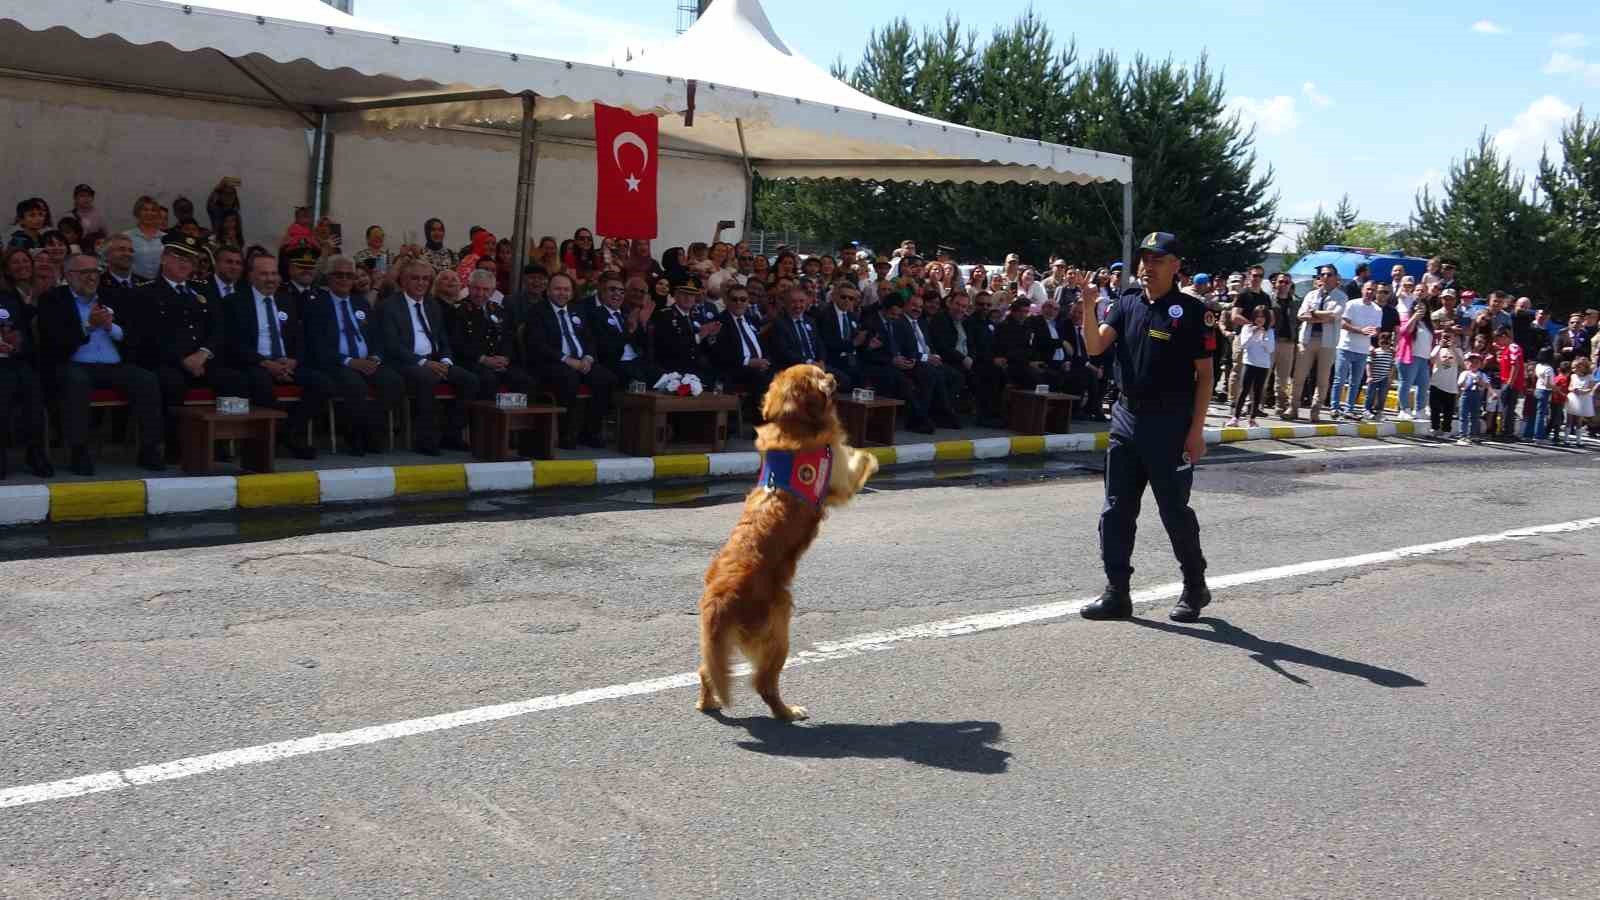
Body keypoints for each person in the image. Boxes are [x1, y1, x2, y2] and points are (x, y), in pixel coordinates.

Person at [1078, 232, 1215, 623]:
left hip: (1170, 423)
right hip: (1125, 417)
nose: (1147, 267)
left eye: (1157, 260)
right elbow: (1095, 347)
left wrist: (1196, 430)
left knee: (1173, 510)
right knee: (1117, 510)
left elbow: (1204, 376)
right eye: (1144, 259)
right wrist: (1089, 307)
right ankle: (1117, 592)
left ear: (1175, 265)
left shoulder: (1193, 312)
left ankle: (1194, 585)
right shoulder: (1125, 304)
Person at [37, 253, 165, 474]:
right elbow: (53, 341)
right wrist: (88, 326)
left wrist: (110, 327)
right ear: (68, 275)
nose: (91, 277)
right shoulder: (53, 299)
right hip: (73, 364)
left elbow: (134, 335)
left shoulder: (113, 296)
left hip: (112, 365)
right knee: (76, 381)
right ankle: (78, 451)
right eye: (84, 272)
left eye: (95, 272)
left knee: (146, 379)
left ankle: (149, 448)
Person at [131, 233, 246, 459]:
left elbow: (218, 328)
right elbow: (149, 336)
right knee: (170, 383)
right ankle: (173, 446)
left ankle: (220, 442)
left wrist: (203, 353)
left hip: (202, 361)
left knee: (234, 379)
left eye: (190, 258)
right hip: (168, 362)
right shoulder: (146, 292)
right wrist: (183, 359)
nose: (185, 263)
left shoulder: (203, 290)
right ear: (164, 259)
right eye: (178, 256)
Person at [222, 252, 327, 460]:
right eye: (264, 274)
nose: (270, 279)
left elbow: (300, 339)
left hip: (285, 363)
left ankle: (288, 433)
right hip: (254, 363)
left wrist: (293, 360)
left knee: (322, 383)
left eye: (273, 273)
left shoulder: (286, 300)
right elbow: (232, 345)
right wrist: (266, 363)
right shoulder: (235, 302)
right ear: (250, 275)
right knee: (259, 381)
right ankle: (272, 438)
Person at [379, 259, 478, 456]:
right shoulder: (389, 306)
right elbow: (392, 345)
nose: (421, 283)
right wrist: (424, 362)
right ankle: (425, 440)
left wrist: (445, 361)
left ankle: (451, 435)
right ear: (403, 281)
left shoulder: (432, 305)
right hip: (404, 362)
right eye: (415, 278)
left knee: (470, 380)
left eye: (425, 279)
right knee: (427, 378)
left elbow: (443, 339)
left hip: (435, 361)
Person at [305, 255, 402, 456]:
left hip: (367, 362)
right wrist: (350, 362)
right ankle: (354, 438)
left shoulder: (361, 303)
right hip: (337, 363)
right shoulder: (316, 304)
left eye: (349, 276)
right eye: (339, 275)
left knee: (393, 381)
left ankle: (372, 432)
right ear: (329, 278)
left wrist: (375, 357)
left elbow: (376, 337)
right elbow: (317, 346)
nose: (344, 280)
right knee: (355, 385)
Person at [525, 271, 614, 449]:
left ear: (572, 292)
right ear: (548, 291)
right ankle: (567, 434)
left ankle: (590, 432)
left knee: (606, 378)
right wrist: (567, 360)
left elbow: (589, 338)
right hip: (552, 364)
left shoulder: (577, 310)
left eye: (566, 289)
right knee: (569, 378)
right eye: (557, 289)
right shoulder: (537, 311)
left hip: (582, 362)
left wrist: (588, 358)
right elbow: (538, 345)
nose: (562, 293)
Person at [453, 268, 534, 401]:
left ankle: (516, 421)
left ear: (492, 291)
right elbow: (457, 343)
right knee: (489, 380)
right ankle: (483, 421)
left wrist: (505, 358)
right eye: (476, 288)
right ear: (468, 287)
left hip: (500, 362)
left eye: (486, 290)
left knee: (525, 380)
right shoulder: (458, 310)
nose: (480, 294)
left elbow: (509, 337)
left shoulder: (499, 310)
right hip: (472, 362)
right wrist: (484, 359)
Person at [0, 283, 52, 477]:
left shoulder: (8, 298)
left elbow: (22, 332)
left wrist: (16, 343)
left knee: (30, 384)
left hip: (12, 360)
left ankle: (35, 451)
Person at [1286, 266, 1345, 422]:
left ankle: (1316, 409)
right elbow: (1301, 315)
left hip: (1328, 342)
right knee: (1299, 375)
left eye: (1329, 274)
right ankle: (1293, 407)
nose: (1325, 277)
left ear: (1335, 277)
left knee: (1322, 378)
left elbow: (1334, 315)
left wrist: (1312, 314)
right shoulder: (1311, 295)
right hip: (1307, 339)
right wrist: (1320, 316)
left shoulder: (1341, 297)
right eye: (1322, 274)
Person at [708, 283, 774, 400]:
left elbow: (763, 345)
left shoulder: (751, 319)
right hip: (736, 369)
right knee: (761, 378)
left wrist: (766, 361)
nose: (739, 303)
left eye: (743, 299)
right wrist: (747, 362)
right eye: (734, 299)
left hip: (760, 367)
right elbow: (720, 354)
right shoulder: (719, 322)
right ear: (727, 301)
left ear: (748, 301)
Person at [651, 274, 717, 382]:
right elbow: (670, 347)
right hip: (673, 368)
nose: (688, 298)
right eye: (684, 294)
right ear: (675, 295)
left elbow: (702, 348)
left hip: (694, 367)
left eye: (691, 294)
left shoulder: (694, 316)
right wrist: (699, 336)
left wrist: (711, 336)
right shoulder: (665, 315)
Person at [1331, 281, 1381, 420]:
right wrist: (1360, 331)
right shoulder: (1352, 304)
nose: (1370, 292)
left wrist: (1374, 332)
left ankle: (1349, 408)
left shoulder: (1377, 309)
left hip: (1362, 350)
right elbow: (1343, 323)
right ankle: (1334, 407)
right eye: (1368, 289)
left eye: (1373, 290)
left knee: (1356, 381)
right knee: (1339, 379)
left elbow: (1377, 328)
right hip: (1346, 346)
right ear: (1362, 289)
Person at [1225, 304, 1272, 428]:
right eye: (1257, 316)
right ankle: (1235, 417)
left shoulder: (1270, 331)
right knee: (1244, 390)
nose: (1260, 319)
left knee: (1257, 392)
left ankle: (1252, 418)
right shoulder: (1247, 328)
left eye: (1263, 317)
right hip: (1250, 362)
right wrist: (1254, 333)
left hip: (1263, 365)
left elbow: (1270, 348)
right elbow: (1244, 345)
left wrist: (1263, 336)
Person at [124, 196, 168, 280]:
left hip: (161, 286)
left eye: (153, 210)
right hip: (135, 285)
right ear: (137, 213)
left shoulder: (167, 238)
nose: (149, 213)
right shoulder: (127, 237)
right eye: (145, 210)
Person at [1494, 326, 1524, 440]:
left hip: (1511, 383)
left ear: (1504, 336)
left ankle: (1507, 432)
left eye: (1498, 339)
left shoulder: (1513, 347)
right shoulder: (1506, 349)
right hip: (1507, 381)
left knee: (1508, 408)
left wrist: (1510, 382)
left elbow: (1515, 365)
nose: (1497, 342)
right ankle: (1508, 431)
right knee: (1507, 408)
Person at [1428, 337, 1463, 437]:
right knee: (1435, 408)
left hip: (1451, 385)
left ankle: (1446, 429)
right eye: (1445, 337)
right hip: (1436, 383)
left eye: (1449, 337)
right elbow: (1431, 360)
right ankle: (1435, 428)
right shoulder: (1437, 348)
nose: (1447, 340)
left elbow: (1462, 364)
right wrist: (1439, 346)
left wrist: (1453, 349)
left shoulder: (1458, 350)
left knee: (1449, 410)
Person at [1456, 354, 1489, 444]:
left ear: (1480, 364)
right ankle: (1462, 436)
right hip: (1466, 395)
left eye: (1476, 362)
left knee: (1475, 416)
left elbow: (1485, 385)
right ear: (1466, 363)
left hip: (1477, 396)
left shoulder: (1482, 375)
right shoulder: (1464, 373)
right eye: (1471, 362)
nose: (1473, 364)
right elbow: (1460, 385)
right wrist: (1465, 381)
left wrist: (1480, 382)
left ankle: (1473, 435)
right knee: (1464, 416)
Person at [1363, 332, 1395, 422]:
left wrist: (1390, 377)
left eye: (1387, 343)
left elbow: (1392, 366)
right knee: (1370, 394)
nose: (1385, 345)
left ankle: (1379, 411)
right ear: (1379, 342)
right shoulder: (1375, 352)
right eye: (1382, 342)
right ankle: (1366, 409)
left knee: (1382, 395)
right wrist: (1369, 376)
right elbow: (1368, 364)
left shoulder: (1391, 353)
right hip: (1373, 377)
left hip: (1384, 378)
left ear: (1390, 342)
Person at [1526, 348, 1557, 443]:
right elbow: (1548, 384)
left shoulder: (1538, 366)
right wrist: (1556, 388)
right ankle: (1539, 436)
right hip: (1545, 391)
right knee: (1541, 414)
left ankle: (1528, 434)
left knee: (1533, 413)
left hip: (1537, 389)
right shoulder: (1549, 369)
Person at [1566, 358, 1595, 442]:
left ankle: (1578, 440)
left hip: (1583, 400)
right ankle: (1566, 439)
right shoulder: (1573, 376)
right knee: (1569, 419)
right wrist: (1573, 389)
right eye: (1573, 368)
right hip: (1573, 398)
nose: (1574, 370)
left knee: (1579, 421)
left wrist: (1583, 391)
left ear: (1583, 367)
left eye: (1576, 367)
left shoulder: (1589, 376)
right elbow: (1570, 387)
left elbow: (1590, 388)